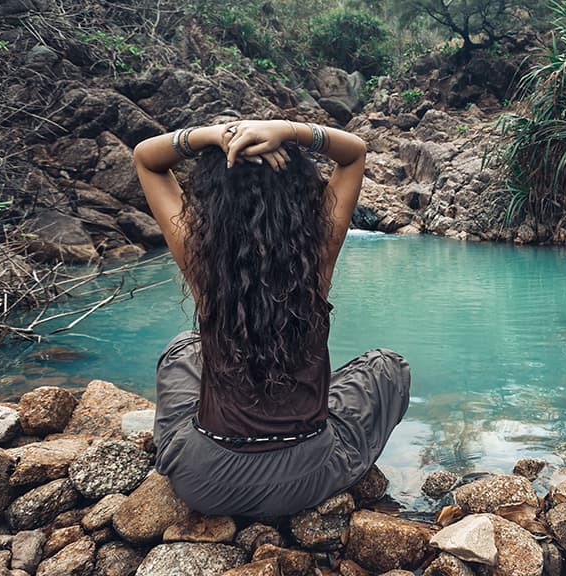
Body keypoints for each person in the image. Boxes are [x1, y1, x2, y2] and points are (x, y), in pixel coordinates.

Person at [133, 119, 410, 517]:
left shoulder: (202, 262)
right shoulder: (315, 259)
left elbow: (147, 159)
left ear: (213, 201)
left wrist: (212, 135)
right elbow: (354, 154)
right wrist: (290, 130)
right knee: (387, 367)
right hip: (304, 479)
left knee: (183, 349)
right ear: (298, 197)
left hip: (204, 481)